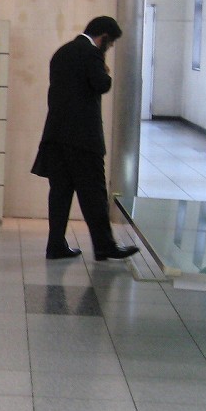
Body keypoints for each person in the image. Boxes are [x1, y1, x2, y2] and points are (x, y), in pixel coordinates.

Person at [30, 16, 139, 262]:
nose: (109, 48)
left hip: (56, 134)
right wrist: (105, 71)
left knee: (60, 192)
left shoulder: (62, 52)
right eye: (110, 44)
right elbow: (101, 85)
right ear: (104, 38)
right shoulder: (91, 54)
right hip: (83, 138)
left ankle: (55, 245)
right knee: (94, 194)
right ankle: (104, 246)